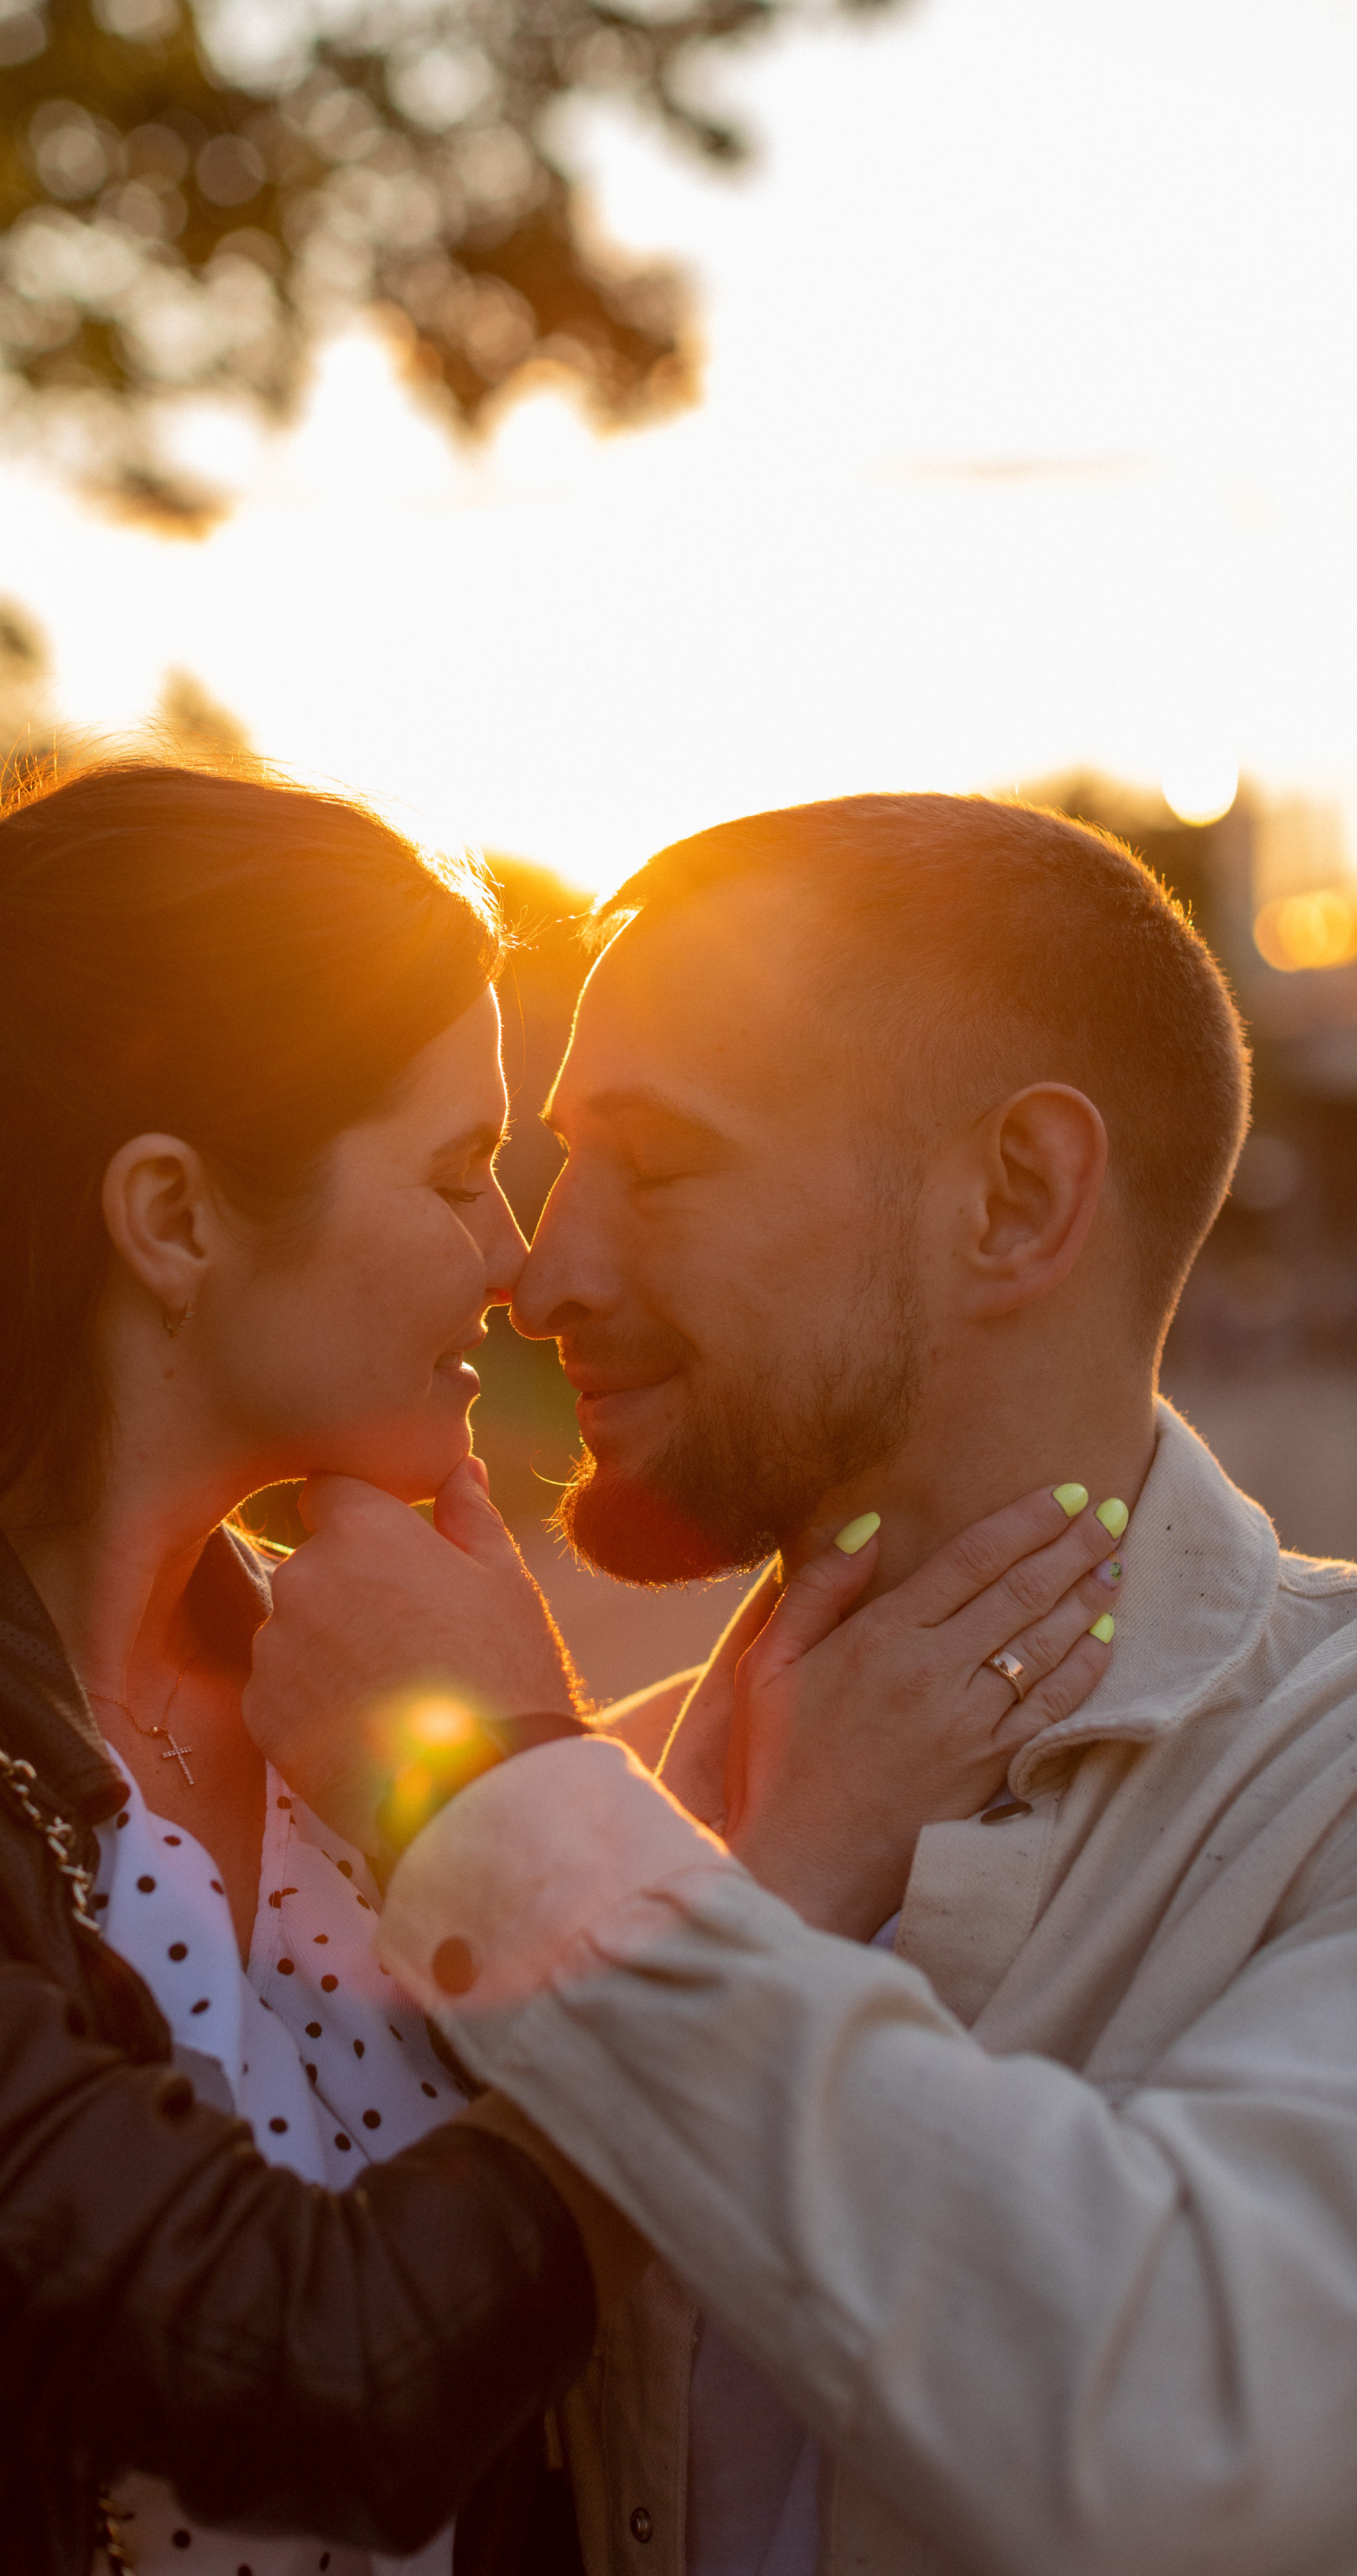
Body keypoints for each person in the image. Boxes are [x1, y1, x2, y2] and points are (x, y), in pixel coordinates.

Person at [0, 769, 1110, 2576]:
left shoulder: (358, 1702)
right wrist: (772, 1893)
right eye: (452, 1171)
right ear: (172, 1219)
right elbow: (298, 2363)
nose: (517, 1263)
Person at [244, 793, 1357, 2576]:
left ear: (1015, 1200)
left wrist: (501, 1796)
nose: (540, 1273)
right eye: (545, 1173)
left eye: (661, 1168)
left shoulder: (1330, 1781)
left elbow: (1196, 2443)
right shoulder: (643, 1799)